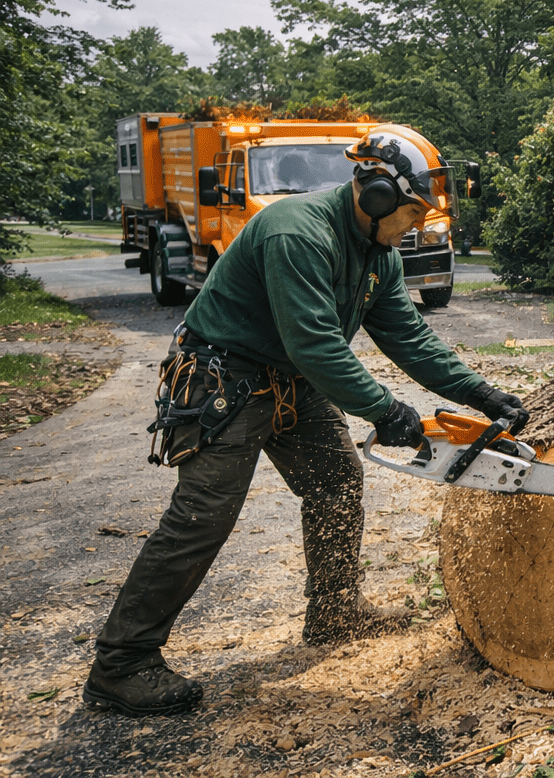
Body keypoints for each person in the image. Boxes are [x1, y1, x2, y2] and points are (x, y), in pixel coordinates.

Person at [83, 124, 528, 717]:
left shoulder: (378, 254)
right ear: (377, 195)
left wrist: (482, 394)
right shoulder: (297, 231)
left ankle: (335, 611)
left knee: (336, 480)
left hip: (290, 379)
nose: (416, 226)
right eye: (412, 213)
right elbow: (316, 343)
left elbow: (409, 336)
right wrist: (386, 411)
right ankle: (122, 663)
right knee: (202, 515)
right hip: (226, 377)